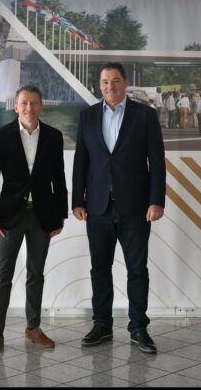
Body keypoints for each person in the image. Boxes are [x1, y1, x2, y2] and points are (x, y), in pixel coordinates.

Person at [72, 62, 166, 354]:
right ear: (99, 85)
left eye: (114, 80)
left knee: (137, 269)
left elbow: (157, 161)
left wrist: (156, 200)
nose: (109, 86)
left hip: (136, 207)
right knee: (100, 268)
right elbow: (81, 161)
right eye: (104, 81)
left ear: (125, 82)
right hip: (97, 207)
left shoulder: (144, 115)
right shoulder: (87, 116)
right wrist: (77, 200)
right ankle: (102, 325)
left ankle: (138, 328)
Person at [0, 84, 68, 355]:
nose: (29, 107)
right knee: (3, 275)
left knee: (36, 274)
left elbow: (59, 178)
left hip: (42, 216)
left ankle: (33, 328)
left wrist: (61, 215)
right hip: (8, 217)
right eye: (24, 103)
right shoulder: (1, 135)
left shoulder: (53, 136)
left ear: (41, 106)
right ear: (16, 107)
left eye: (34, 103)